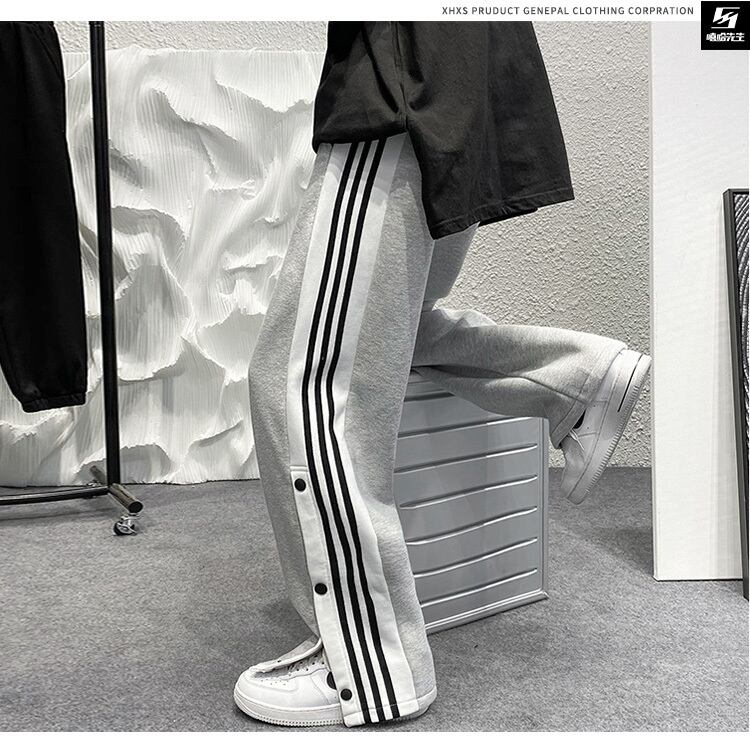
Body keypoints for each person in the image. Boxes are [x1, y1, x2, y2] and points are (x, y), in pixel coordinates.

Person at [233, 21, 651, 727]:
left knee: (303, 382)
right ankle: (579, 381)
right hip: (449, 81)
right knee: (384, 339)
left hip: (398, 83)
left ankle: (367, 665)